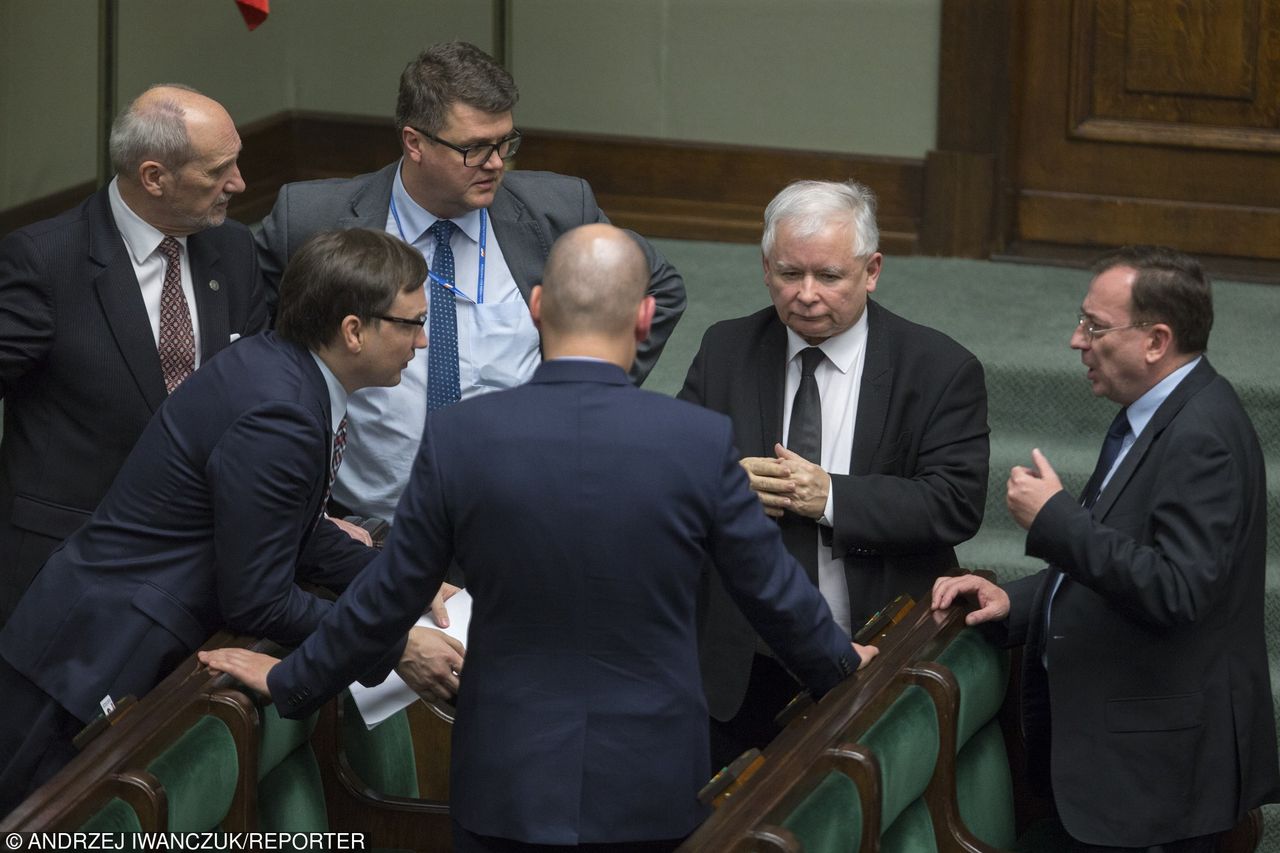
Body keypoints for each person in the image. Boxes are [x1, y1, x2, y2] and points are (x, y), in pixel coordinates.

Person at [200, 223, 876, 852]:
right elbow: (772, 592)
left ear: (535, 306)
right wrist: (843, 666)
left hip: (506, 780)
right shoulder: (697, 444)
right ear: (645, 317)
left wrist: (293, 679)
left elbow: (386, 597)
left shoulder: (463, 435)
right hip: (651, 783)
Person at [0, 228, 451, 815]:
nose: (422, 341)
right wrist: (393, 646)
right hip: (90, 660)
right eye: (411, 323)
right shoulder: (281, 414)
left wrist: (399, 581)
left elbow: (296, 526)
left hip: (107, 637)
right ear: (354, 330)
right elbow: (259, 603)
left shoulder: (285, 370)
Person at [932, 246, 1280, 852]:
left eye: (1095, 326)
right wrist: (1012, 600)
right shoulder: (1152, 416)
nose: (1077, 340)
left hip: (1160, 779)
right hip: (1129, 766)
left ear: (1156, 340)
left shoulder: (1201, 437)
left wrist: (1056, 519)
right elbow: (1116, 558)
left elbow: (1177, 591)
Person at [255, 40, 687, 523]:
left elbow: (659, 287)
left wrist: (589, 386)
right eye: (475, 148)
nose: (497, 162)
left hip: (522, 513)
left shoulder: (558, 212)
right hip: (371, 524)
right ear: (414, 142)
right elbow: (261, 356)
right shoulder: (312, 220)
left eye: (505, 142)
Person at [679, 179, 989, 767]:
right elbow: (672, 474)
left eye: (829, 276)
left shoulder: (939, 368)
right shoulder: (727, 348)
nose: (806, 295)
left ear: (871, 270)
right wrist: (724, 482)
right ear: (764, 268)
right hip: (742, 663)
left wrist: (831, 498)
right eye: (789, 274)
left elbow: (956, 503)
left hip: (873, 646)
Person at [0, 84, 269, 625]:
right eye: (218, 170)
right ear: (154, 177)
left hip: (201, 562)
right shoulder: (44, 260)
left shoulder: (233, 249)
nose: (237, 184)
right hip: (70, 564)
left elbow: (261, 389)